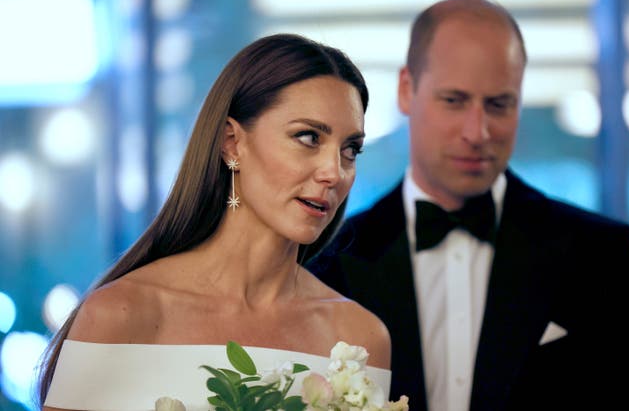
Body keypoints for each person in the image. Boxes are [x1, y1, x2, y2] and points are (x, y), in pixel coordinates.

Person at [307, 0, 629, 411]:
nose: (477, 131)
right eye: (455, 100)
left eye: (499, 104)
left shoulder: (603, 253)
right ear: (406, 90)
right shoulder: (328, 260)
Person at [37, 33, 394, 411]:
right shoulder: (121, 314)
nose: (333, 172)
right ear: (231, 142)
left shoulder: (359, 338)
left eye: (350, 150)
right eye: (308, 137)